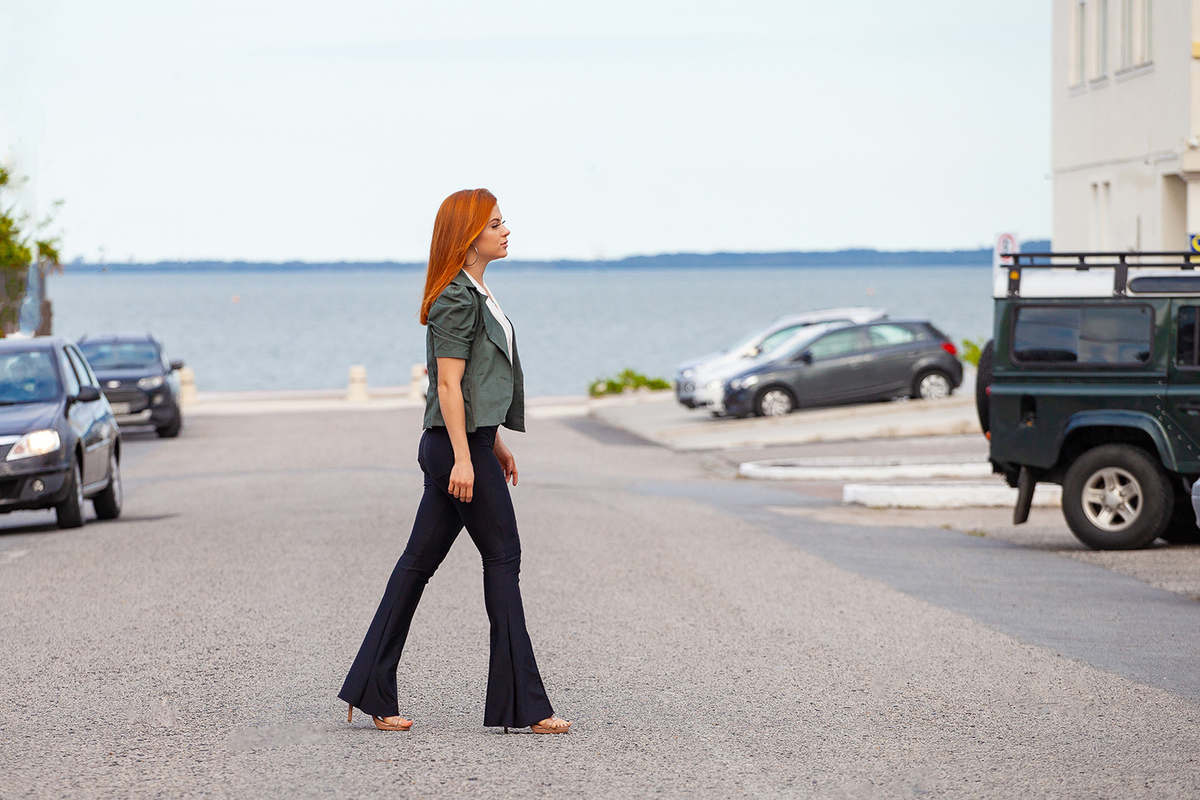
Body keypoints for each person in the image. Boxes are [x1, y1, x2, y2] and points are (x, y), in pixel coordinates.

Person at [338, 188, 570, 735]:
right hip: (451, 448)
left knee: (417, 565)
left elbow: (475, 387)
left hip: (464, 443)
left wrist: (494, 443)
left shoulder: (478, 291)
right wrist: (466, 459)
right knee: (503, 558)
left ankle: (370, 689)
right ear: (469, 239)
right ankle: (526, 708)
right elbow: (447, 384)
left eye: (502, 221)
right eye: (494, 224)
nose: (505, 230)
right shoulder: (454, 299)